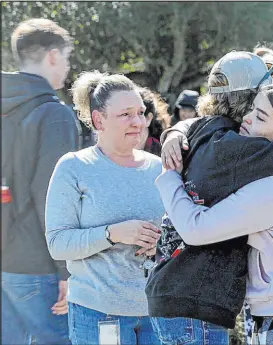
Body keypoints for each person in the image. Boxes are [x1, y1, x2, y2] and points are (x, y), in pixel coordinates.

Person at [146, 51, 273, 345]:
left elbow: (190, 126)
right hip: (195, 300)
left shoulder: (206, 132)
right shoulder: (239, 148)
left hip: (176, 292)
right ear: (253, 97)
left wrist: (174, 131)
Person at [45, 71, 164, 344]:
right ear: (99, 120)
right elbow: (57, 243)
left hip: (155, 314)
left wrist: (161, 243)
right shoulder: (74, 167)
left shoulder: (158, 168)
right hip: (97, 315)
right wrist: (112, 233)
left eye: (140, 113)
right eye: (125, 115)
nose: (137, 122)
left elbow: (177, 235)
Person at [1, 18, 77, 345]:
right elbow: (52, 196)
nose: (68, 67)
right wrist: (66, 269)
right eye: (68, 58)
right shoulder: (55, 113)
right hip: (37, 261)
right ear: (52, 57)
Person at [137, 87, 171, 156]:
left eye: (139, 114)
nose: (131, 121)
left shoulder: (165, 154)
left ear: (148, 119)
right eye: (125, 114)